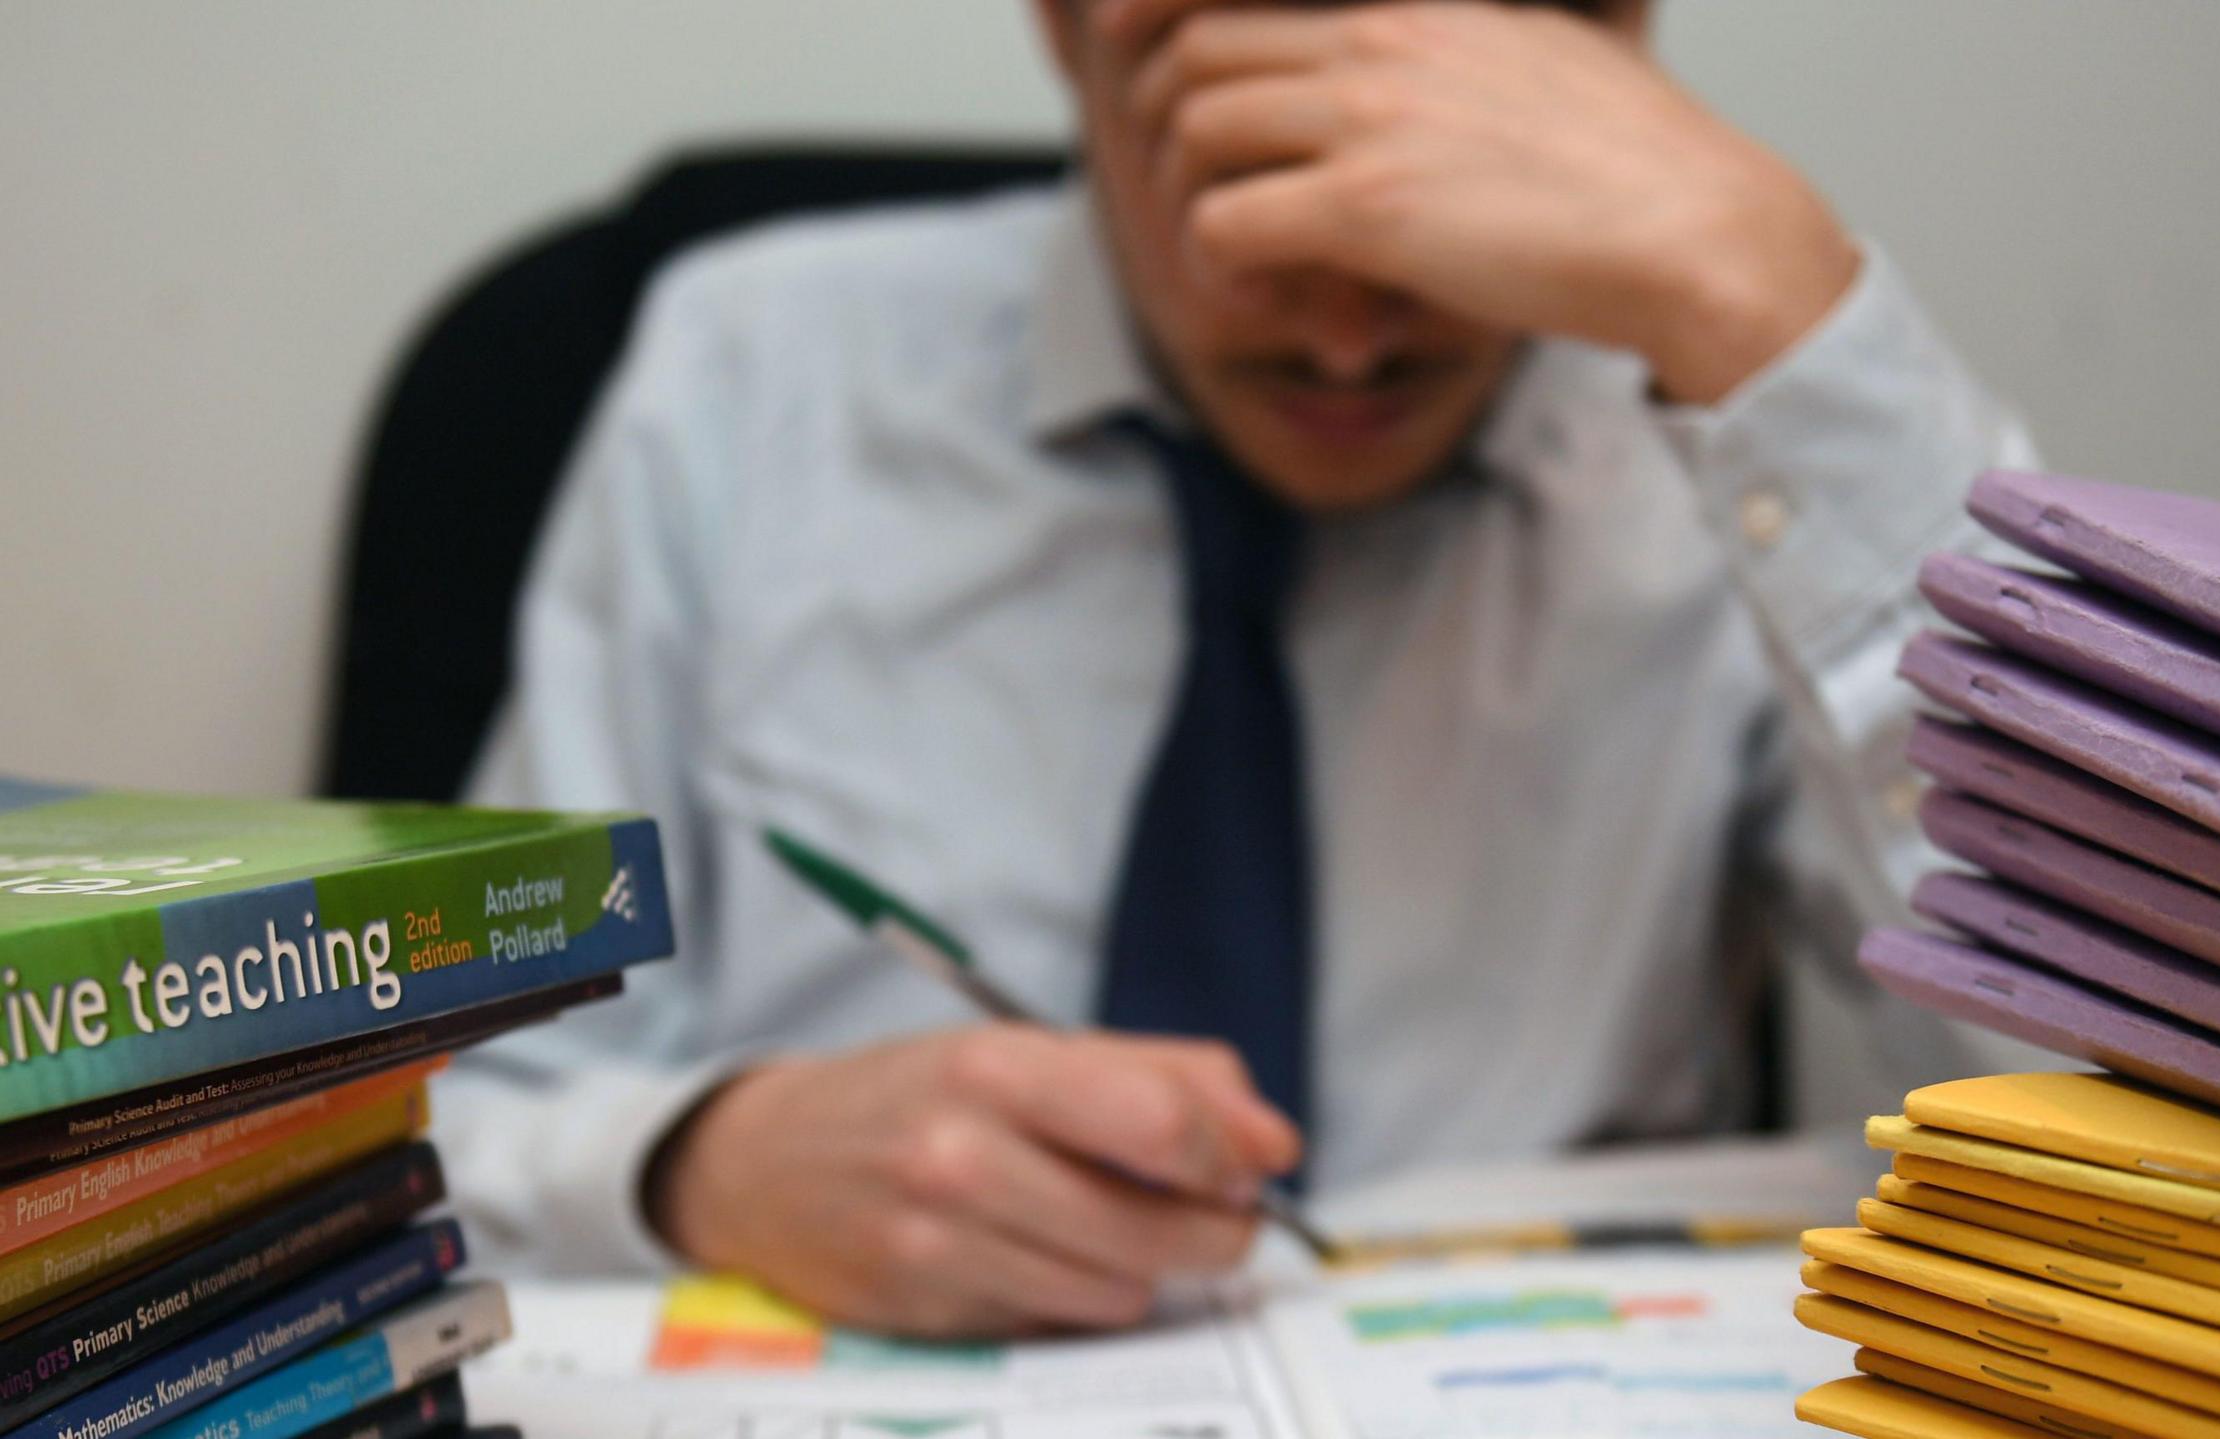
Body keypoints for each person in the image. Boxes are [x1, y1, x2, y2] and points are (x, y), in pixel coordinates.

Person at [441, 0, 2036, 1338]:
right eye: (1249, 168)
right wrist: (700, 1162)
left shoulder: (1741, 450)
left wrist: (1780, 318)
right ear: (1075, 29)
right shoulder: (747, 382)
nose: (1348, 342)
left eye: (1420, 188)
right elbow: (416, 1138)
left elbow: (2131, 1151)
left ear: (1609, 51)